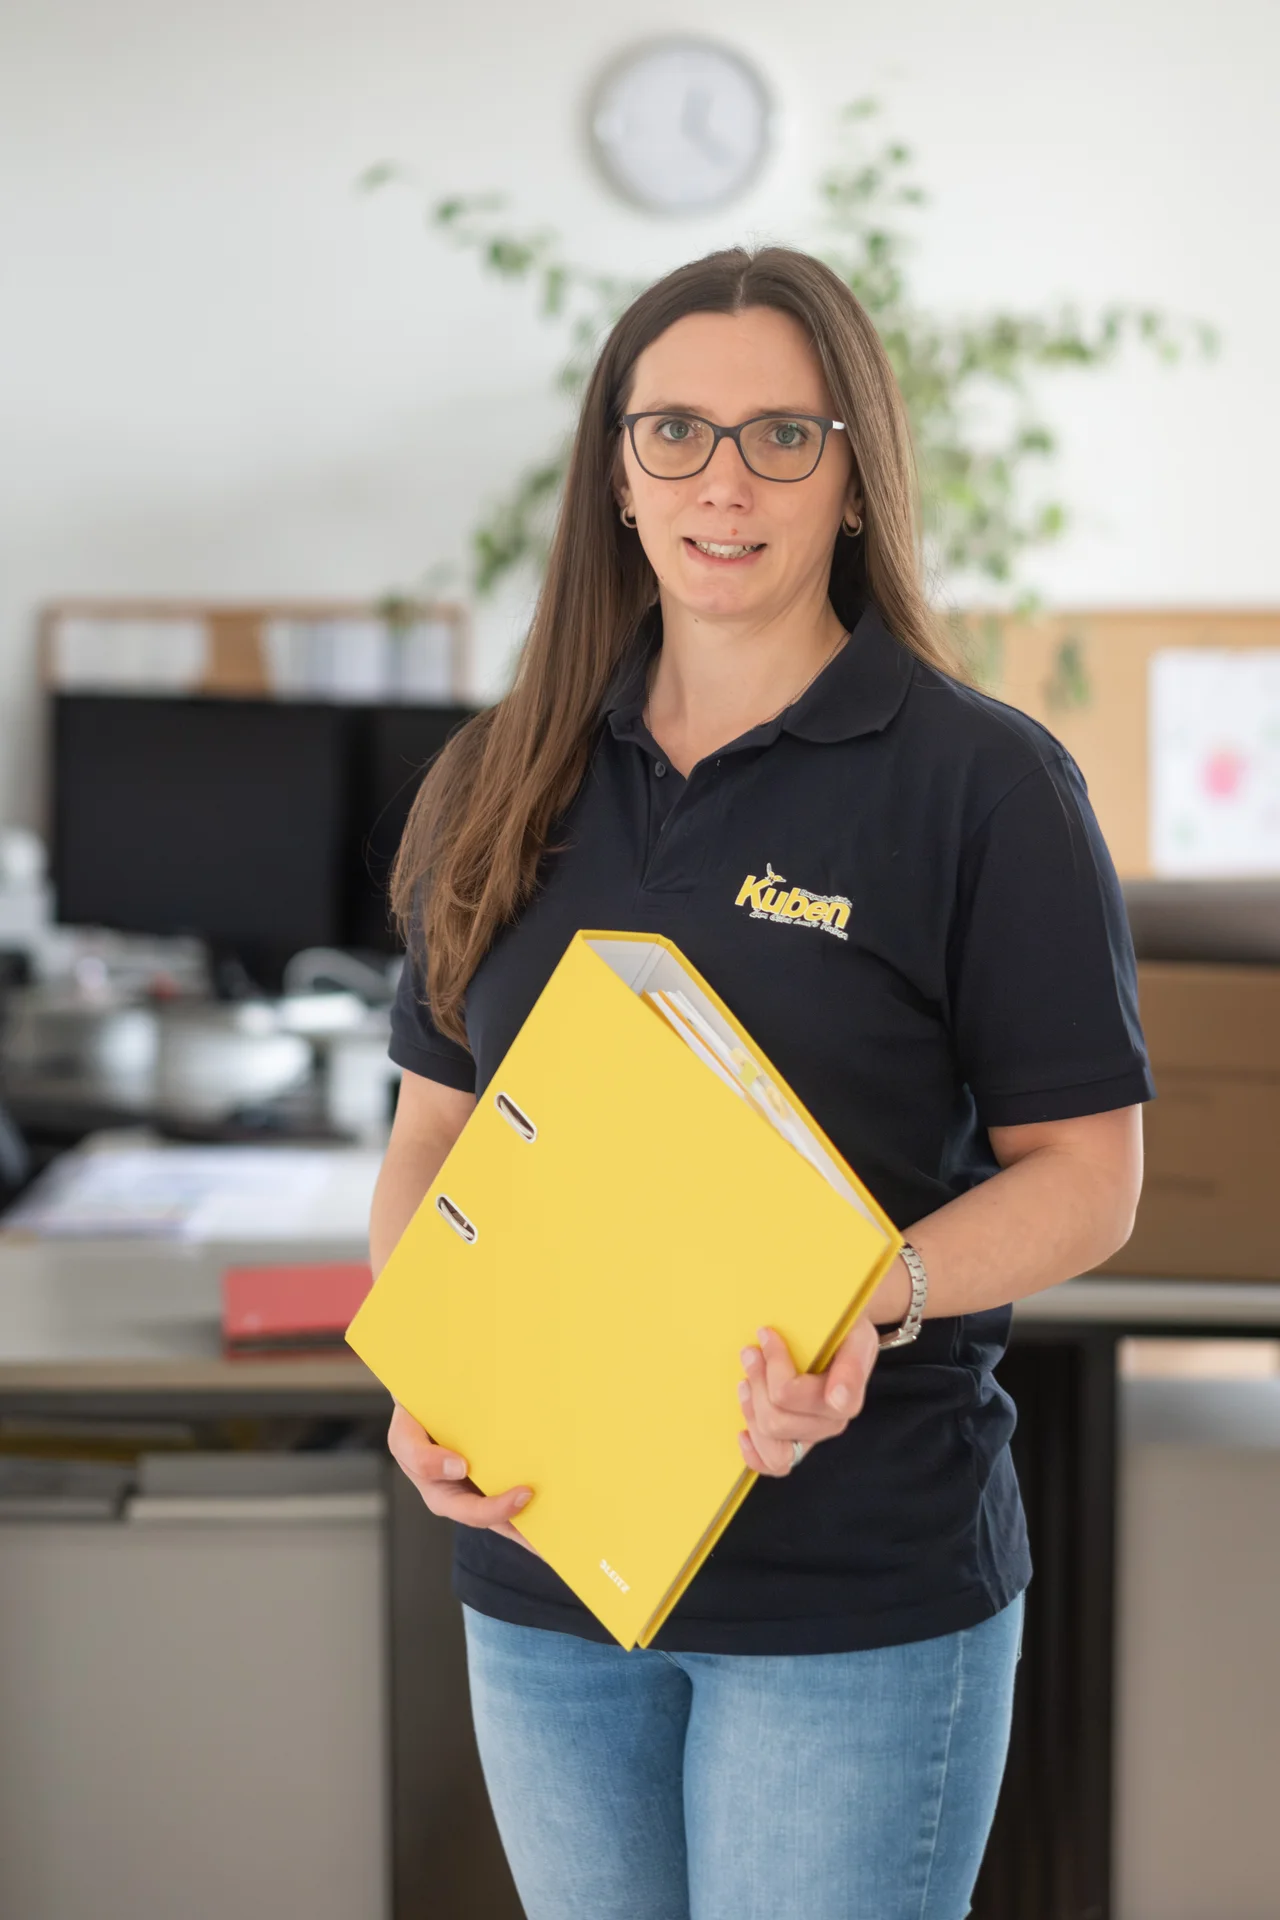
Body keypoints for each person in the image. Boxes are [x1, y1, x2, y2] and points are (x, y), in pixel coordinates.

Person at [369, 246, 1152, 1920]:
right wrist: (430, 1366)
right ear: (618, 474)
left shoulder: (984, 786)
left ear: (854, 474)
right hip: (545, 1571)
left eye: (782, 437)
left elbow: (1090, 1172)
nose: (724, 482)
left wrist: (874, 1293)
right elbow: (434, 1128)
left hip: (853, 1593)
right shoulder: (497, 775)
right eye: (677, 433)